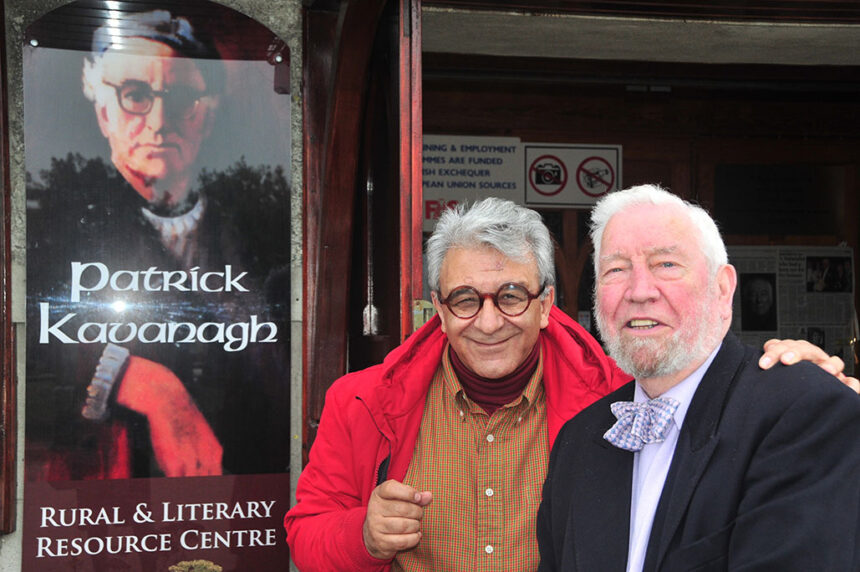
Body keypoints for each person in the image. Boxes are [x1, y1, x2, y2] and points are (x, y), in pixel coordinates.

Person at [283, 196, 851, 571]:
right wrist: (363, 535)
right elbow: (306, 535)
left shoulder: (609, 403)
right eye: (463, 299)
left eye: (510, 296)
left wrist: (799, 378)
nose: (487, 322)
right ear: (438, 305)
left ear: (547, 303)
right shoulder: (362, 401)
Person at [537, 185, 860, 571]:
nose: (639, 291)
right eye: (616, 269)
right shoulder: (579, 440)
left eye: (666, 265)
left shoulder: (804, 411)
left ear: (722, 288)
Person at [25, 10, 289, 480]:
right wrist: (143, 382)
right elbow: (38, 340)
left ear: (207, 115)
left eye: (183, 96)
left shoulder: (254, 233)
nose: (160, 121)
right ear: (102, 110)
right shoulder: (57, 222)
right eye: (135, 96)